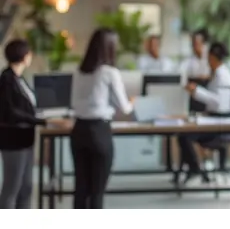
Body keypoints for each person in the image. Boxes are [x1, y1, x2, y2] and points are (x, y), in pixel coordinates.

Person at [70, 28, 133, 209]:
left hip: (78, 131)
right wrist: (132, 102)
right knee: (97, 192)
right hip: (99, 132)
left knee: (81, 189)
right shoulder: (109, 72)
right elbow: (125, 108)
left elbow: (75, 102)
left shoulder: (79, 71)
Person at [0, 39, 65, 209]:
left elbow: (26, 108)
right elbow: (10, 112)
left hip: (26, 138)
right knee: (11, 187)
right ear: (24, 56)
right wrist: (42, 121)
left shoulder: (20, 79)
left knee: (26, 187)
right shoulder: (6, 79)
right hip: (13, 140)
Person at [177, 42, 230, 184]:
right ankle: (196, 169)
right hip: (215, 118)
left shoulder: (223, 75)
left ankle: (196, 169)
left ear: (211, 57)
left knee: (185, 136)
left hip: (220, 122)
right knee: (185, 133)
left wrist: (196, 91)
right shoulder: (219, 73)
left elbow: (218, 102)